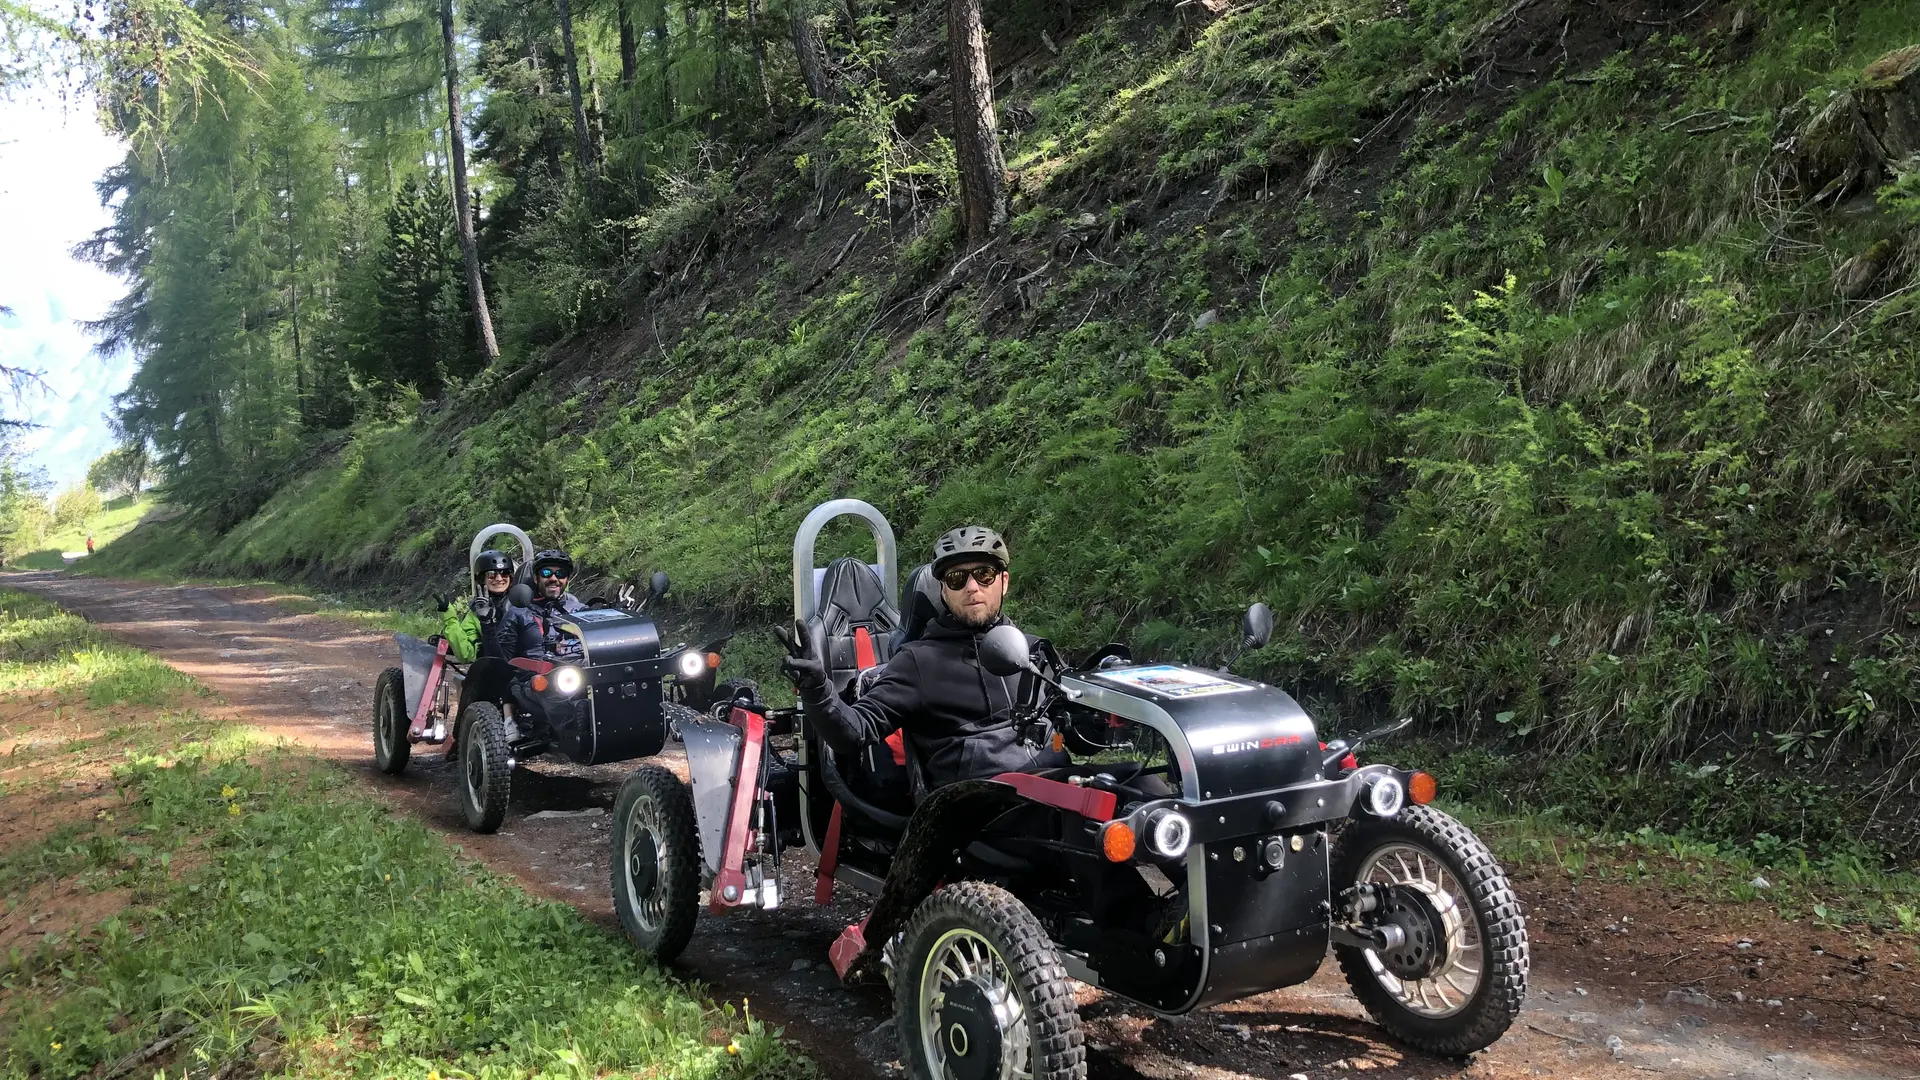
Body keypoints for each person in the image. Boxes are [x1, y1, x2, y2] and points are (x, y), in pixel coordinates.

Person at [780, 525, 1066, 791]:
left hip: (1058, 789)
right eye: (956, 579)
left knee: (1110, 790)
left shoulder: (1033, 651)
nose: (972, 587)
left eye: (984, 575)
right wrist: (817, 690)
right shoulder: (918, 662)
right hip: (982, 808)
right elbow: (854, 731)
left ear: (1003, 582)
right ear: (943, 590)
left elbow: (1078, 728)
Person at [441, 550, 541, 663]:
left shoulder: (523, 601)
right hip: (497, 668)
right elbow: (467, 654)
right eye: (491, 574)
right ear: (482, 579)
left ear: (511, 576)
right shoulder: (476, 612)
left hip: (531, 666)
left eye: (504, 573)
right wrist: (448, 616)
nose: (499, 579)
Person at [525, 549, 585, 661]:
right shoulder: (519, 613)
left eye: (560, 574)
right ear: (536, 578)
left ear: (567, 580)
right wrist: (488, 625)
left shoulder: (581, 610)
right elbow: (501, 660)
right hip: (534, 675)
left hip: (577, 672)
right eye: (546, 573)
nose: (553, 579)